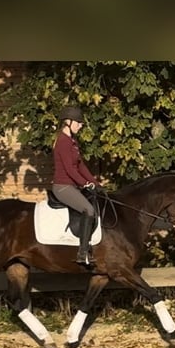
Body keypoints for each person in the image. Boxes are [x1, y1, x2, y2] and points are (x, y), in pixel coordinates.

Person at [52, 105, 101, 266]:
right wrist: (85, 184)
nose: (81, 125)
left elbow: (80, 166)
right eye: (78, 122)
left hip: (72, 186)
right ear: (68, 122)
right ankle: (82, 252)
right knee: (89, 210)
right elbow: (70, 169)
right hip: (62, 187)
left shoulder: (72, 141)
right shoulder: (63, 142)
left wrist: (94, 183)